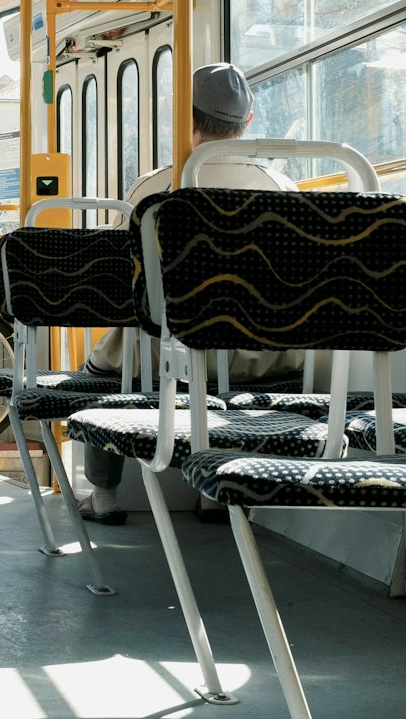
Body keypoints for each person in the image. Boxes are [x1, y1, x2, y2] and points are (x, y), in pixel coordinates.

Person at [78, 61, 299, 526]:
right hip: (263, 359)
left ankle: (103, 495)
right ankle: (215, 495)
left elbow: (123, 285)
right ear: (248, 124)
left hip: (164, 358)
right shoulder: (284, 189)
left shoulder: (153, 189)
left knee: (103, 371)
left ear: (186, 121)